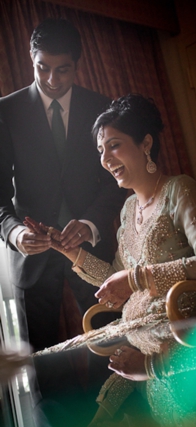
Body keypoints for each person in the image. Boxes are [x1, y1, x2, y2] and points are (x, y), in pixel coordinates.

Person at [30, 93, 196, 427]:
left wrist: (138, 278)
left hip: (184, 354)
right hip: (147, 356)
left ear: (146, 143)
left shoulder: (179, 190)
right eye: (100, 151)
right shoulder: (127, 211)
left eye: (114, 146)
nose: (105, 159)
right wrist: (71, 252)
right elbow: (115, 276)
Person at [0, 18, 125, 352]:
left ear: (77, 66)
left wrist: (90, 224)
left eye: (63, 70)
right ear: (31, 59)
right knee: (42, 362)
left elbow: (117, 180)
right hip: (32, 256)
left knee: (112, 343)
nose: (52, 80)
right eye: (43, 68)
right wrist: (14, 233)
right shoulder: (5, 112)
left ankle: (115, 405)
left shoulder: (102, 107)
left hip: (92, 249)